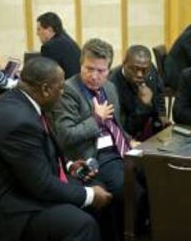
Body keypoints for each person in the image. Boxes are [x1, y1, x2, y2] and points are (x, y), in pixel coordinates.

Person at [0, 57, 113, 241]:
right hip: (5, 209)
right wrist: (89, 196)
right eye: (60, 88)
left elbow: (34, 153)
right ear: (45, 89)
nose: (62, 92)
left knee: (98, 188)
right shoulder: (19, 121)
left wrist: (67, 165)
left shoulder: (21, 101)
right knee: (82, 223)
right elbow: (42, 185)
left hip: (22, 185)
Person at [52, 38, 137, 241]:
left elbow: (115, 124)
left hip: (116, 149)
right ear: (80, 65)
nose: (94, 76)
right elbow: (65, 136)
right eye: (89, 69)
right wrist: (96, 119)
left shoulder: (110, 88)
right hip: (90, 157)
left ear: (109, 70)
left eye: (101, 71)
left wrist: (130, 140)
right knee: (126, 188)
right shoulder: (67, 92)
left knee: (153, 175)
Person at [109, 45, 170, 141]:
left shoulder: (151, 70)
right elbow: (125, 129)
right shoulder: (112, 86)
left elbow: (159, 91)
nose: (140, 74)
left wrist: (162, 113)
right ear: (124, 63)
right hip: (131, 137)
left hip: (153, 128)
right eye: (134, 69)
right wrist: (142, 105)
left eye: (144, 70)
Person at [37, 12, 81, 79]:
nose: (37, 33)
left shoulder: (50, 47)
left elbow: (46, 76)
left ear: (49, 30)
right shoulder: (65, 38)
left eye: (39, 29)